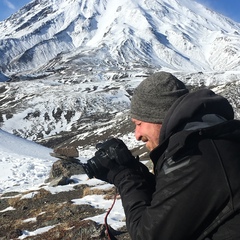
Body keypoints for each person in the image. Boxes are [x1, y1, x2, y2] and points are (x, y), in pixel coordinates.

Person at [88, 71, 240, 239]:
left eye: (139, 124)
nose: (137, 135)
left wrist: (125, 177)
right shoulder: (207, 139)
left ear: (159, 116)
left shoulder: (197, 155)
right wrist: (136, 171)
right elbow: (174, 199)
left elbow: (147, 235)